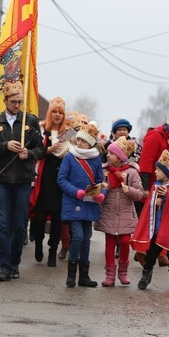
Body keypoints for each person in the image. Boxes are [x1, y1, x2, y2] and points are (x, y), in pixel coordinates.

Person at [0, 80, 45, 282]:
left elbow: (41, 149)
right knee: (3, 224)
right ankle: (4, 266)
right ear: (5, 101)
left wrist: (30, 153)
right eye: (13, 101)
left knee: (19, 225)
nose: (17, 105)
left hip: (23, 179)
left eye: (20, 101)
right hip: (1, 180)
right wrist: (5, 146)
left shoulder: (31, 121)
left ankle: (15, 263)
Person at [57, 122, 105, 288]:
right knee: (77, 236)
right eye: (78, 140)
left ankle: (83, 276)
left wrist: (101, 195)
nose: (79, 143)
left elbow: (100, 181)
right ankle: (71, 274)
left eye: (83, 141)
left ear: (90, 143)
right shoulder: (70, 156)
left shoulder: (96, 158)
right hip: (73, 202)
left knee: (86, 239)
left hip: (89, 203)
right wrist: (75, 192)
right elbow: (61, 179)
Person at [132, 150, 169, 290]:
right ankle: (146, 276)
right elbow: (149, 206)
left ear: (167, 172)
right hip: (157, 230)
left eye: (158, 169)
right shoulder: (155, 186)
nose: (155, 172)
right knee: (151, 255)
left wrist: (168, 197)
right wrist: (156, 203)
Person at [138, 110, 169, 267]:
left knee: (167, 221)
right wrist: (145, 188)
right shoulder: (155, 136)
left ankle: (159, 253)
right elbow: (146, 162)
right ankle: (144, 251)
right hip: (154, 185)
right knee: (153, 221)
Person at [29, 96, 72, 267]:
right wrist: (48, 150)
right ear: (49, 114)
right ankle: (38, 243)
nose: (57, 115)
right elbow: (34, 151)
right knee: (39, 216)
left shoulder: (68, 133)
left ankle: (52, 251)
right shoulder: (40, 130)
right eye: (54, 112)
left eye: (60, 113)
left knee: (57, 217)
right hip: (43, 176)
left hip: (60, 176)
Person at [96, 137, 143, 286]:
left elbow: (140, 193)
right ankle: (110, 275)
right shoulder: (104, 171)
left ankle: (123, 272)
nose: (108, 155)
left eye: (112, 153)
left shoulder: (131, 172)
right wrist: (101, 188)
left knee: (124, 241)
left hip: (126, 213)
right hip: (109, 212)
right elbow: (96, 191)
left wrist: (130, 190)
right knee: (109, 243)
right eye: (108, 153)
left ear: (121, 157)